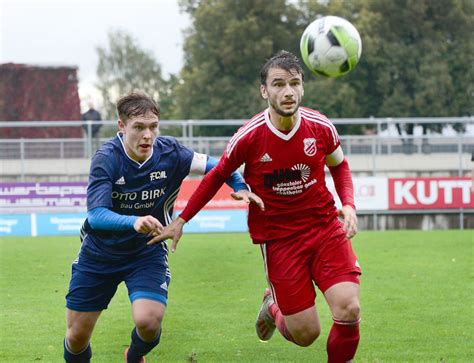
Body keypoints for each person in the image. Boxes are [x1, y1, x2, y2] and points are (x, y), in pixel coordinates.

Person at [150, 50, 362, 363]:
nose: (287, 91)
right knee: (306, 334)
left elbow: (340, 167)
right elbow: (216, 175)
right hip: (279, 239)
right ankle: (272, 307)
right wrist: (182, 219)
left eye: (294, 83)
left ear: (302, 87)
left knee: (349, 308)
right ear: (265, 91)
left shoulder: (321, 127)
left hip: (324, 227)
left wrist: (349, 205)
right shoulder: (249, 137)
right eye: (278, 84)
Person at [63, 91, 259, 363]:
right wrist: (134, 221)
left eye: (153, 127)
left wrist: (239, 186)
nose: (148, 135)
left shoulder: (171, 152)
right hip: (99, 253)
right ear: (121, 126)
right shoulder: (107, 157)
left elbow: (219, 165)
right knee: (76, 338)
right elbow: (96, 215)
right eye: (139, 127)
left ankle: (133, 356)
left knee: (149, 321)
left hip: (147, 250)